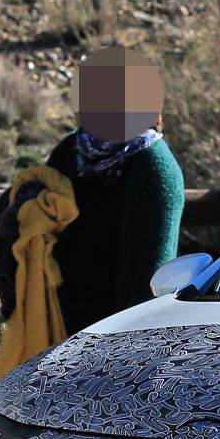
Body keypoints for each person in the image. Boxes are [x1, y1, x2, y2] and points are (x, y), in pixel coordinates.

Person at [46, 44, 185, 333]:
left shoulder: (154, 166)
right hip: (59, 321)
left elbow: (152, 274)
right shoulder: (70, 151)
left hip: (116, 332)